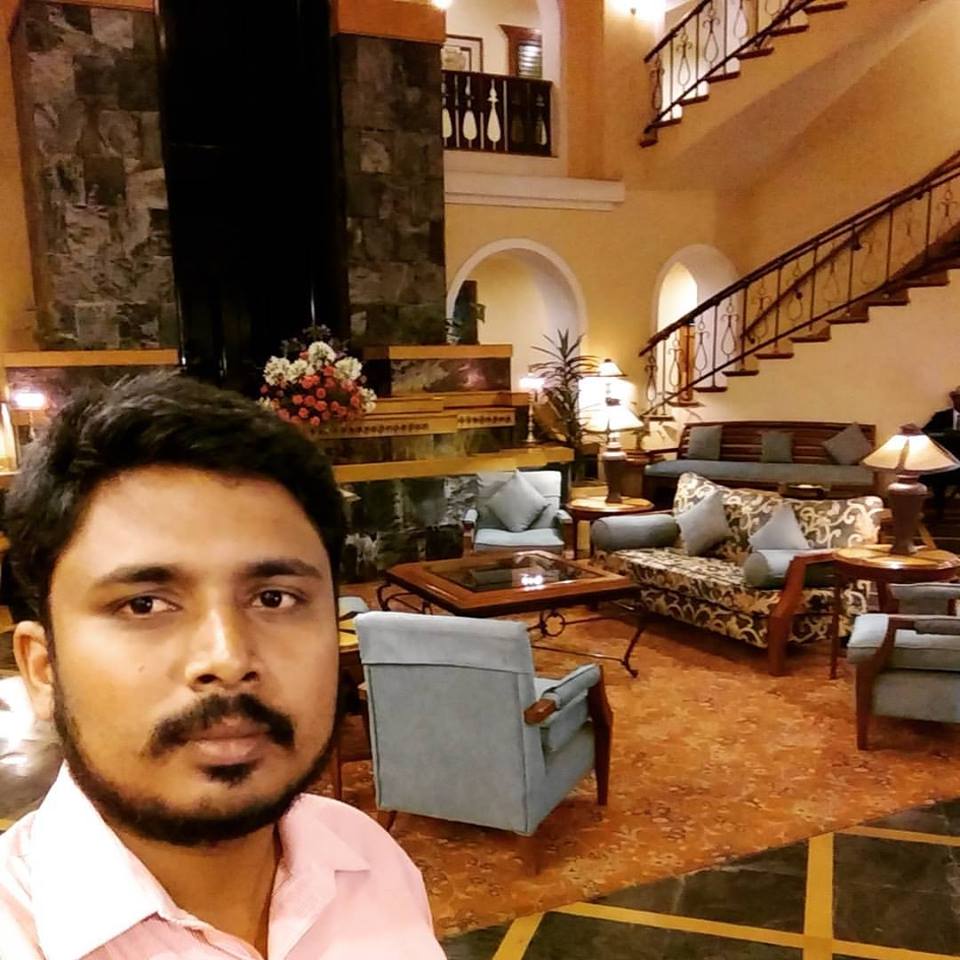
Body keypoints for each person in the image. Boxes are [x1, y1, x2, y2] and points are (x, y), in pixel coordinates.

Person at [0, 372, 445, 959]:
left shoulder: (368, 859)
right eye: (144, 605)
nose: (228, 659)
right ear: (43, 670)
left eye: (274, 598)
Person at [923, 386, 960, 518]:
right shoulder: (941, 417)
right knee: (938, 474)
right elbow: (925, 434)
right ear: (953, 399)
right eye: (959, 398)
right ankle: (939, 512)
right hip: (945, 462)